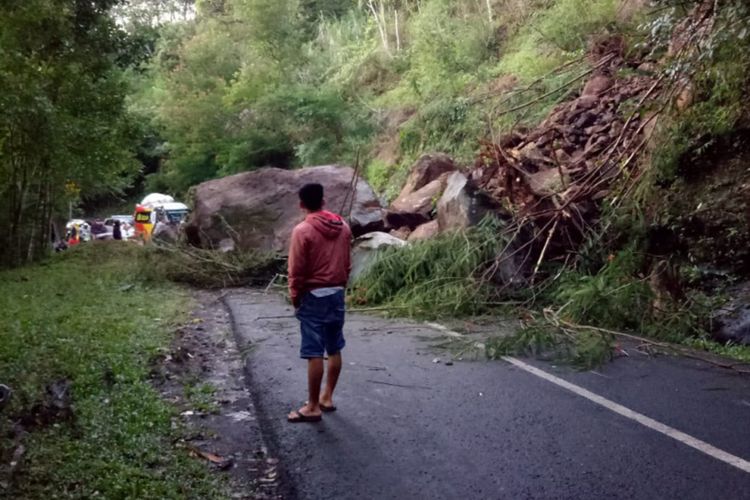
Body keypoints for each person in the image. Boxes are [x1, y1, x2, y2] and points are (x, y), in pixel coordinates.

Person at [287, 183, 352, 423]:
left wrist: (296, 297)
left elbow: (296, 270)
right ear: (323, 201)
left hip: (313, 295)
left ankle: (312, 406)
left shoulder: (302, 230)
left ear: (302, 204)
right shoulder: (343, 227)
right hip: (336, 294)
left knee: (314, 351)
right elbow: (347, 262)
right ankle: (326, 397)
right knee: (334, 347)